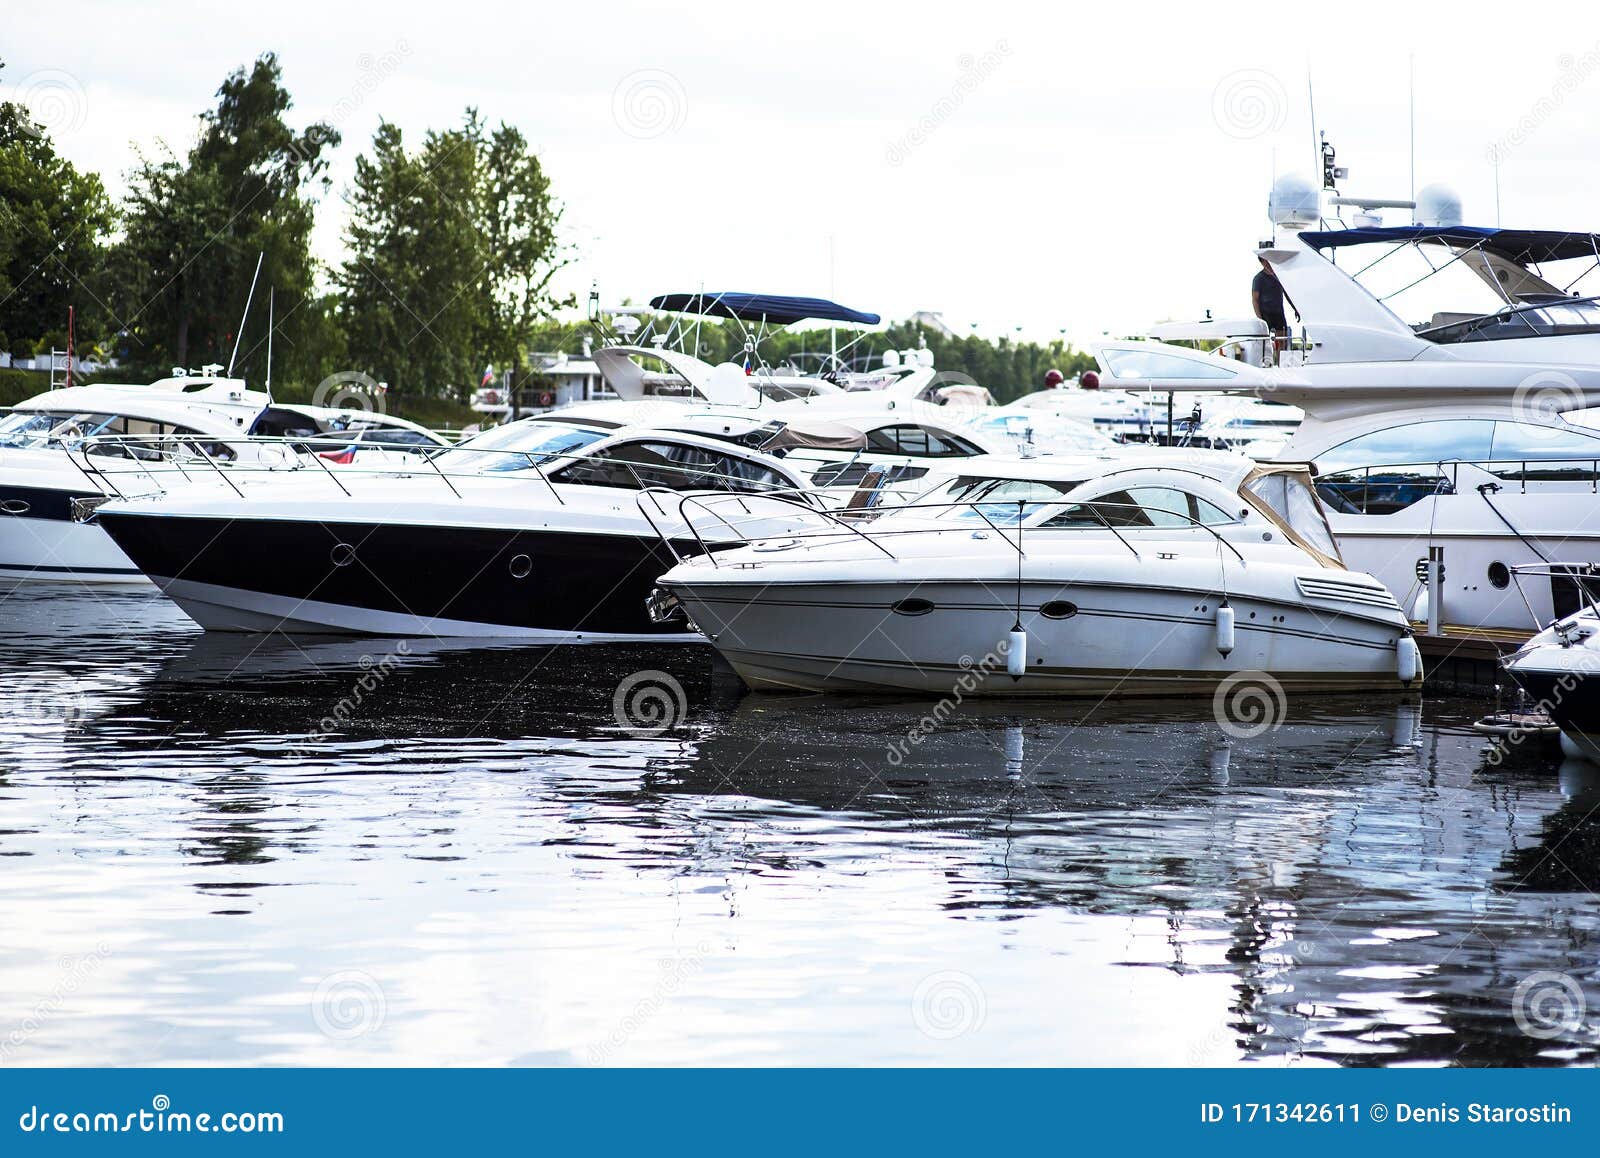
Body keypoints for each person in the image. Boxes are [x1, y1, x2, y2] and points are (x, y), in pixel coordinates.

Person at [1251, 261, 1289, 365]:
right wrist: (1259, 319)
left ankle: (1281, 365)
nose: (1268, 264)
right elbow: (1255, 299)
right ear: (1262, 262)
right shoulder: (1258, 278)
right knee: (1266, 343)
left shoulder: (1279, 276)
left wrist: (1295, 309)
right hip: (1265, 314)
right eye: (1265, 262)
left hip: (1279, 313)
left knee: (1283, 342)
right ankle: (1267, 364)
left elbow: (1287, 293)